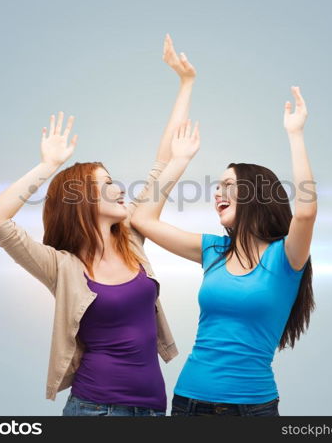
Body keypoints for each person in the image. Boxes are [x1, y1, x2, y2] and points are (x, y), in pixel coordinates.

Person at [0, 34, 196, 416]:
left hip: (151, 410)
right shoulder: (60, 266)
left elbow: (163, 160)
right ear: (83, 202)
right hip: (95, 410)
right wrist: (48, 166)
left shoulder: (132, 239)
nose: (118, 189)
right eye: (107, 184)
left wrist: (185, 84)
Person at [131, 86, 317, 416]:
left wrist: (296, 134)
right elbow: (143, 218)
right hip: (189, 403)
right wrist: (181, 161)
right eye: (217, 187)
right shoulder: (213, 250)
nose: (219, 193)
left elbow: (305, 212)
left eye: (229, 186)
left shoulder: (285, 257)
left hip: (252, 410)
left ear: (256, 195)